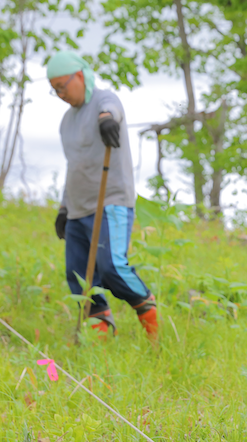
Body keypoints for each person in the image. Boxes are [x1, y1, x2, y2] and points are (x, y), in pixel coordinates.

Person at [46, 51, 158, 340]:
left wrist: (107, 119)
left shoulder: (103, 101)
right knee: (79, 276)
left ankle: (151, 321)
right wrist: (63, 208)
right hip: (77, 209)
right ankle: (100, 340)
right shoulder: (64, 122)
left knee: (111, 268)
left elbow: (112, 109)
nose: (59, 94)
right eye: (54, 88)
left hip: (110, 202)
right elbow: (74, 167)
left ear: (80, 77)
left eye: (62, 86)